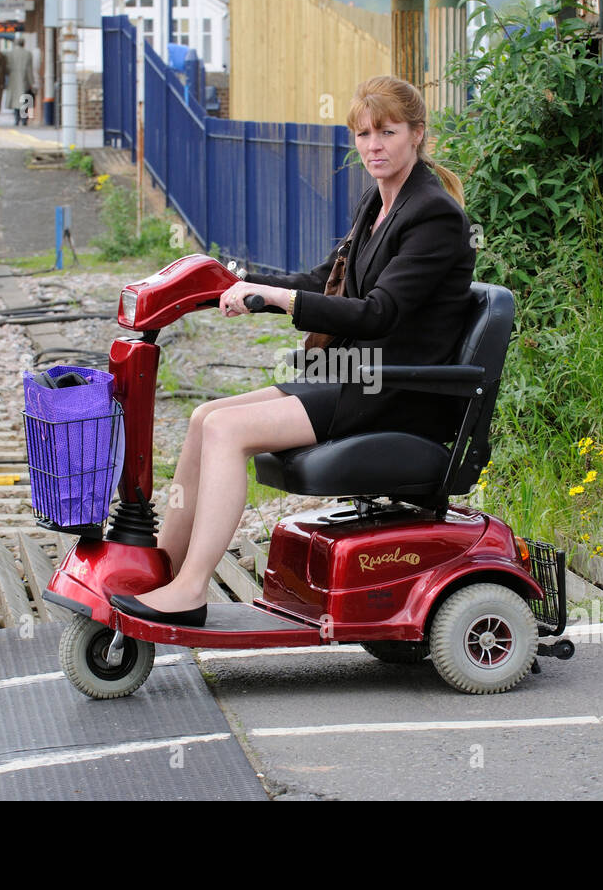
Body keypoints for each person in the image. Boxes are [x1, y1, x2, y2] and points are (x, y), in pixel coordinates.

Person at [111, 75, 475, 627]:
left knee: (228, 433)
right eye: (363, 134)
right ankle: (162, 567)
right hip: (352, 375)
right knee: (205, 416)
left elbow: (379, 313)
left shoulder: (434, 216)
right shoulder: (377, 203)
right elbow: (324, 281)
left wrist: (282, 300)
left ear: (417, 135)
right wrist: (233, 285)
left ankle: (190, 589)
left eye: (387, 132)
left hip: (395, 388)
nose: (373, 146)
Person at [5, 37, 35, 126]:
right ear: (23, 44)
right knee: (25, 99)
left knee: (15, 100)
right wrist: (31, 82)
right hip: (24, 79)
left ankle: (16, 119)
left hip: (13, 79)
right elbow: (29, 70)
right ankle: (24, 119)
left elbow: (7, 69)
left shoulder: (10, 54)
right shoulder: (28, 54)